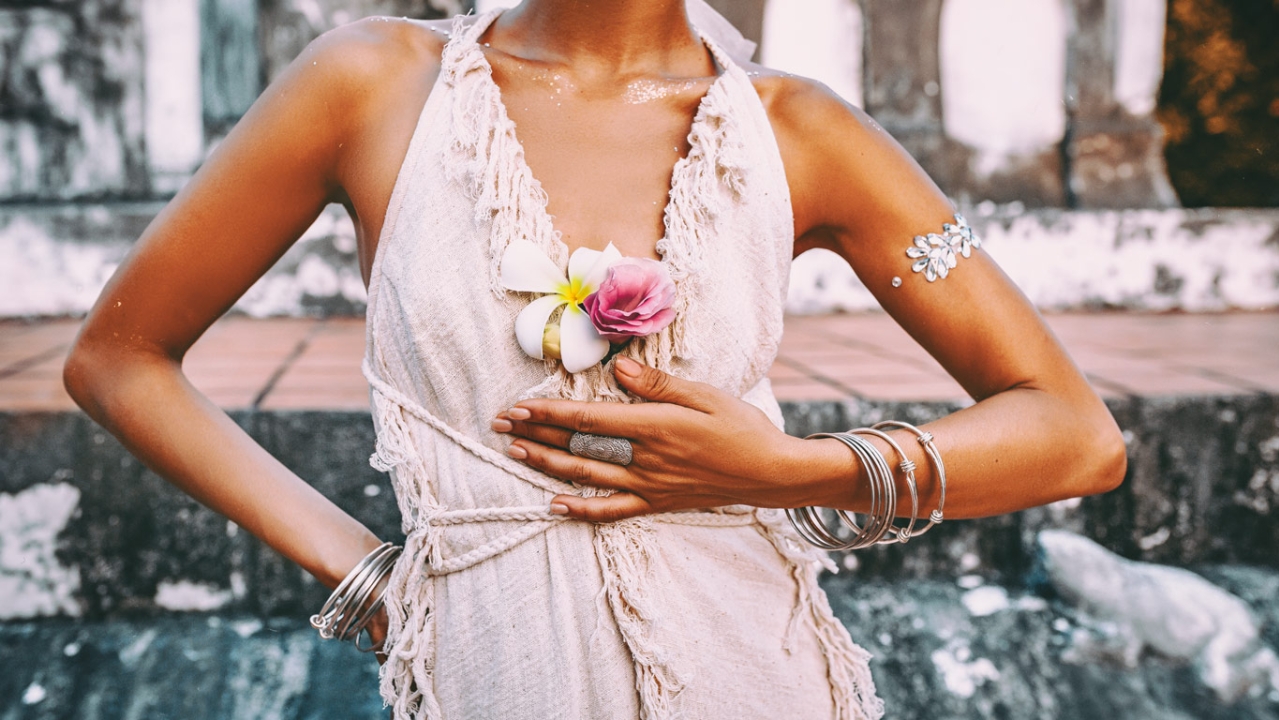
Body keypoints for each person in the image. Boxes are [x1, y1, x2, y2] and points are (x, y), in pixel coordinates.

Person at [62, 1, 1127, 718]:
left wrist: (787, 470)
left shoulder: (799, 133)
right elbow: (120, 359)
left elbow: (1074, 436)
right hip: (491, 664)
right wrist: (375, 585)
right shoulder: (375, 86)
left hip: (753, 665)